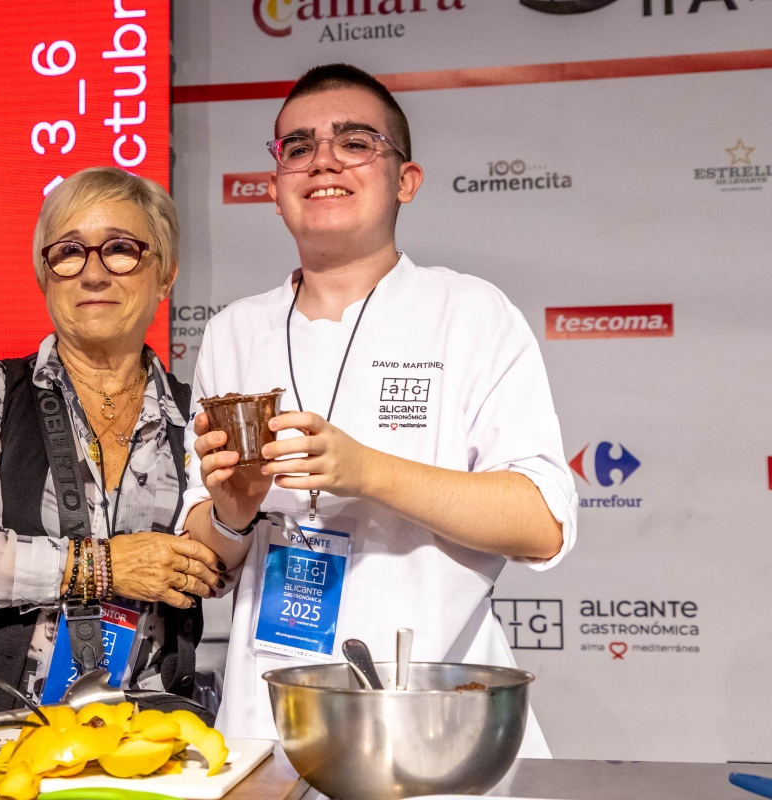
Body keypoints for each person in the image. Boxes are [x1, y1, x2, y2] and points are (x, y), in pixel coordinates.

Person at [178, 64, 576, 756]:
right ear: (274, 189)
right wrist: (232, 511)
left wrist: (367, 471)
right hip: (264, 726)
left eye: (355, 142)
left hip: (433, 724)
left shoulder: (469, 313)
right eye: (297, 148)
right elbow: (206, 554)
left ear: (405, 179)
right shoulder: (234, 332)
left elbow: (541, 522)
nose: (323, 159)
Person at [0, 167, 224, 713]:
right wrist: (107, 567)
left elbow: (219, 564)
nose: (93, 274)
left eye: (121, 249)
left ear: (165, 277)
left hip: (139, 742)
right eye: (68, 252)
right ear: (45, 277)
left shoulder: (198, 415)